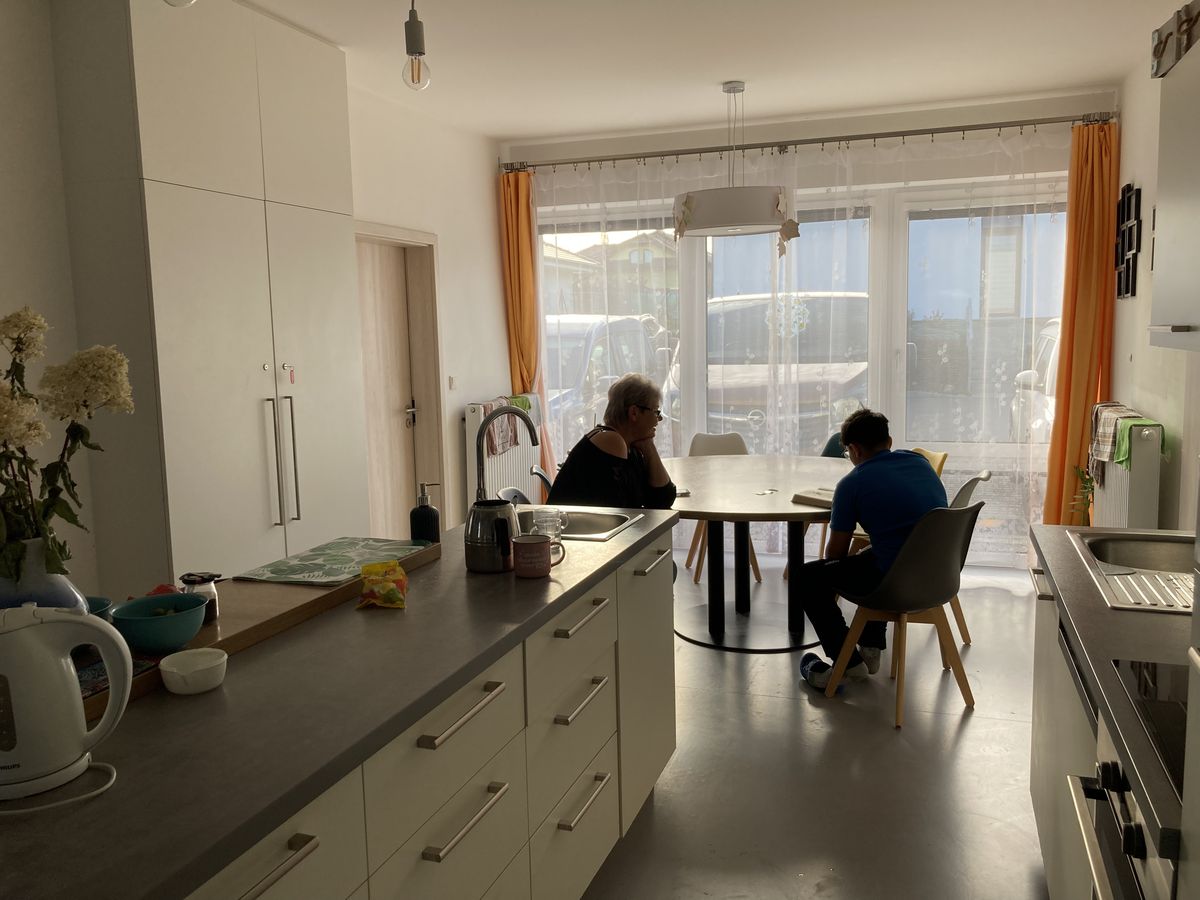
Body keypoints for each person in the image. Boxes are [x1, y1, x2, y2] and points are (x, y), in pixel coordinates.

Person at [798, 409, 948, 691]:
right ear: (889, 442)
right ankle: (870, 646)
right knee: (873, 556)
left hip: (897, 583)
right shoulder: (920, 463)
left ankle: (847, 662)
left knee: (807, 577)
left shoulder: (852, 484)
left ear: (854, 450)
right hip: (940, 575)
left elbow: (835, 555)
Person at [547, 373, 676, 510]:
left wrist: (649, 448)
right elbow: (628, 507)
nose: (659, 419)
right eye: (656, 411)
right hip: (569, 523)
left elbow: (663, 500)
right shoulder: (611, 441)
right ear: (634, 413)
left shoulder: (630, 445)